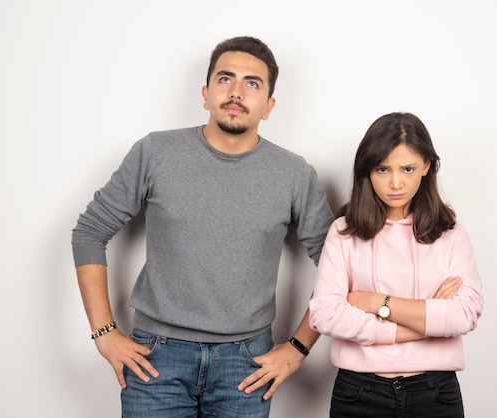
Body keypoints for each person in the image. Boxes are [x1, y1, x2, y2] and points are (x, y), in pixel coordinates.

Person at [71, 36, 334, 417]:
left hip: (247, 363)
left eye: (252, 83)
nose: (237, 92)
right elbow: (90, 232)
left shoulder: (293, 173)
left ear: (269, 106)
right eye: (225, 79)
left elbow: (338, 263)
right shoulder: (156, 152)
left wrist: (299, 348)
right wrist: (104, 333)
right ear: (206, 93)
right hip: (156, 357)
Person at [308, 112, 483, 417]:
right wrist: (425, 324)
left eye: (408, 168)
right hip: (358, 393)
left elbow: (464, 315)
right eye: (383, 169)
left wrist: (376, 302)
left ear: (426, 166)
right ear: (367, 170)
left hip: (435, 394)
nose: (396, 182)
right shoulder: (343, 232)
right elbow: (325, 315)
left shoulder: (451, 234)